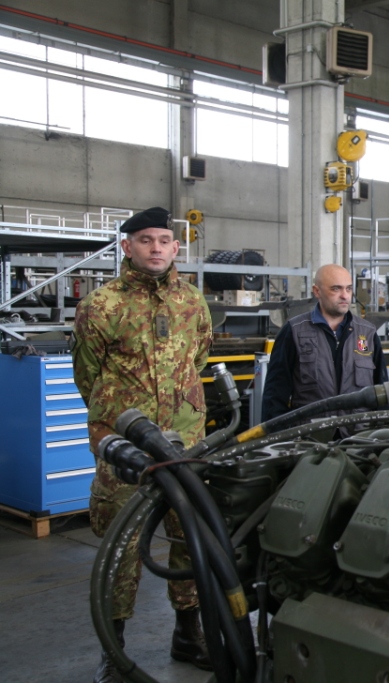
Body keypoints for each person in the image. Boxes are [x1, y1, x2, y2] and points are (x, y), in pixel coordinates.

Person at [71, 207, 213, 683]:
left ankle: (188, 635)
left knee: (190, 538)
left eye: (164, 240)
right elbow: (88, 375)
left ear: (176, 247)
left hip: (184, 441)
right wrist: (119, 413)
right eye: (146, 240)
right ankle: (114, 653)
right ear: (127, 246)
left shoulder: (191, 301)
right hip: (124, 446)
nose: (156, 248)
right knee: (121, 548)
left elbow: (198, 357)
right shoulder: (101, 305)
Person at [262, 264, 388, 424]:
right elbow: (274, 396)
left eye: (348, 289)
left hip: (359, 434)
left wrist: (383, 431)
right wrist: (279, 435)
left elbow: (382, 391)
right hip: (311, 434)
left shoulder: (367, 332)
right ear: (317, 291)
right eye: (336, 289)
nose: (345, 296)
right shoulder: (294, 331)